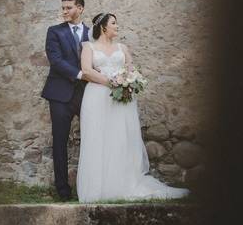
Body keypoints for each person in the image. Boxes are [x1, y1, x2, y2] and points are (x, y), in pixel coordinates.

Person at [76, 13, 189, 202]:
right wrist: (111, 82)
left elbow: (130, 68)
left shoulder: (123, 48)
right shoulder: (88, 47)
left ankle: (123, 183)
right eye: (114, 23)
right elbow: (87, 71)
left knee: (121, 138)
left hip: (122, 99)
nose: (117, 26)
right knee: (98, 137)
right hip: (97, 97)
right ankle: (98, 187)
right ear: (103, 27)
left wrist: (129, 80)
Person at [40, 0, 89, 200]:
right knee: (60, 142)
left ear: (80, 8)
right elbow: (56, 60)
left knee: (92, 140)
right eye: (63, 8)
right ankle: (63, 190)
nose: (64, 12)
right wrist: (80, 74)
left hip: (87, 95)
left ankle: (89, 188)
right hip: (60, 95)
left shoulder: (92, 32)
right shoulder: (54, 31)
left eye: (68, 8)